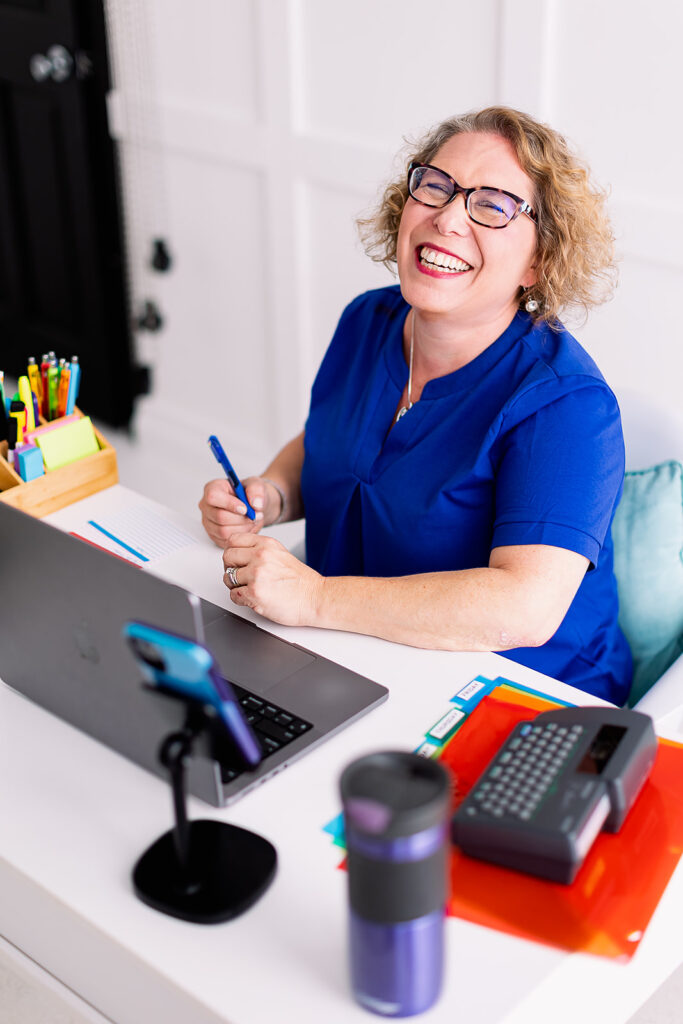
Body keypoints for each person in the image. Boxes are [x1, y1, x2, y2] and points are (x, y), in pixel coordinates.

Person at [199, 106, 632, 705]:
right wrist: (271, 493)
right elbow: (334, 444)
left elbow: (526, 607)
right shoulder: (368, 320)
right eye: (436, 187)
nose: (448, 218)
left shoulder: (566, 406)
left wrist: (314, 598)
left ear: (538, 260)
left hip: (519, 695)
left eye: (493, 205)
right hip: (355, 654)